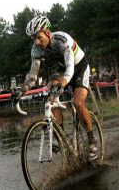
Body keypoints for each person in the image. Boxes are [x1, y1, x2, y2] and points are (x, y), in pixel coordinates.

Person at [18, 15, 98, 160]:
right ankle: (62, 138)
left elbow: (70, 68)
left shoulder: (63, 40)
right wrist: (23, 89)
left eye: (38, 37)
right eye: (33, 39)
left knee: (78, 102)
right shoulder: (35, 49)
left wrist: (62, 84)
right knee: (51, 98)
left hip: (79, 67)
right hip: (62, 69)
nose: (36, 42)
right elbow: (33, 75)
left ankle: (92, 140)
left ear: (48, 33)